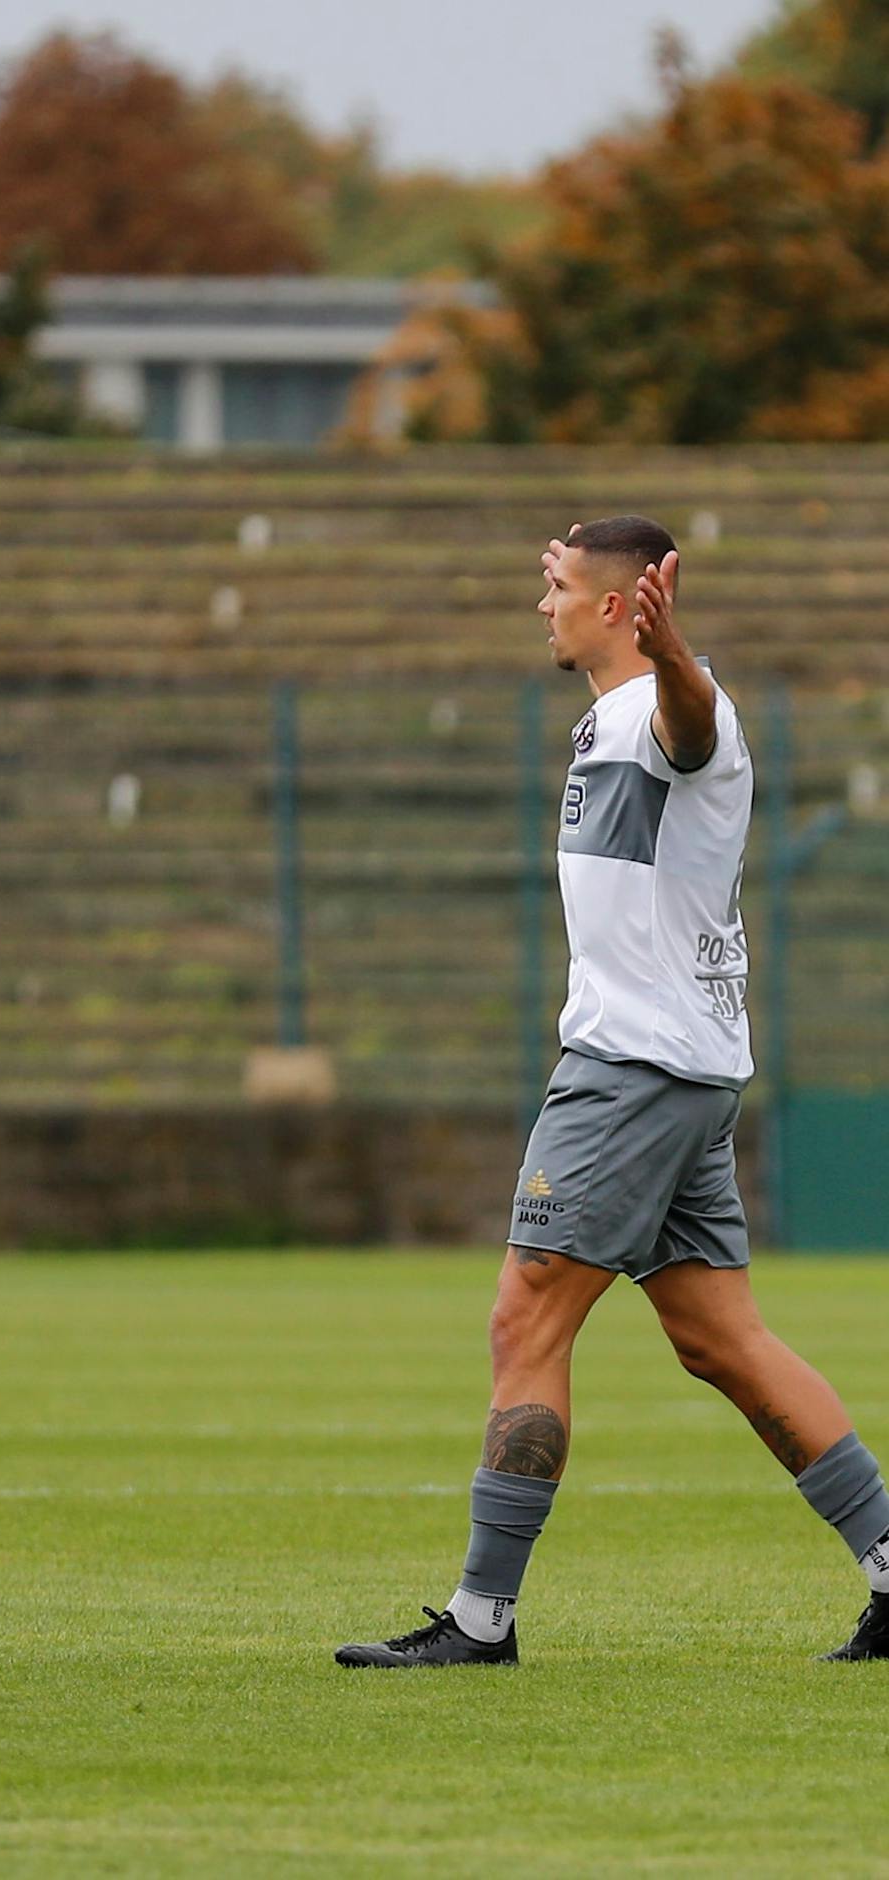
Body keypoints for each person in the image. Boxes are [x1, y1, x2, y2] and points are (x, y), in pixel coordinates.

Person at [335, 514, 889, 1669]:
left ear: (614, 604)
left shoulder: (670, 706)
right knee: (720, 1340)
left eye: (553, 585)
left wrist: (675, 650)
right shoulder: (604, 716)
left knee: (523, 1313)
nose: (539, 604)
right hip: (670, 1065)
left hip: (631, 1072)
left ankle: (480, 1620)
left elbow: (693, 726)